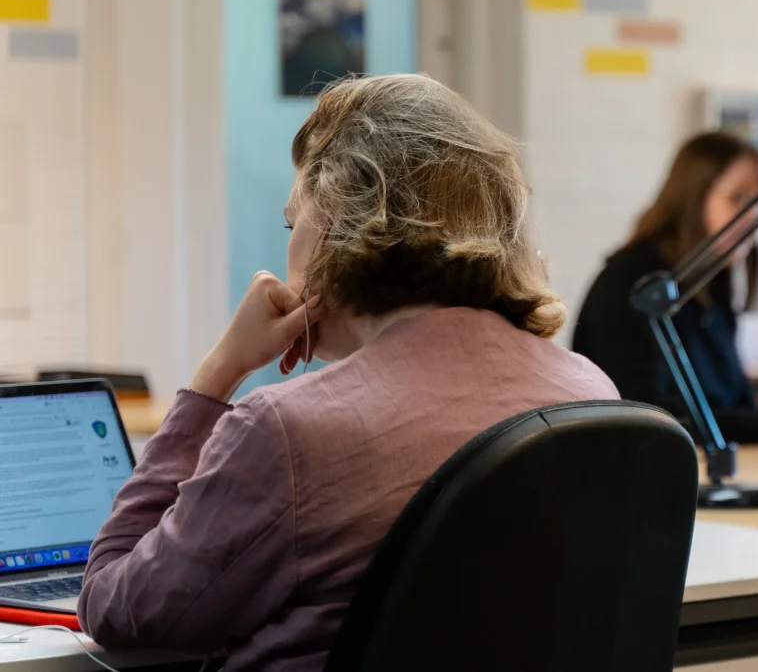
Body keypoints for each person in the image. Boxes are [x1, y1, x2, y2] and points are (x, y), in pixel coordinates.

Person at [76, 75, 618, 670]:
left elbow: (114, 604)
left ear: (338, 227)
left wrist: (219, 372)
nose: (287, 252)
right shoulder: (588, 393)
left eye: (293, 224)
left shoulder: (288, 430)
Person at [573, 132, 758, 444]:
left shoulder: (711, 288)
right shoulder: (633, 284)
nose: (752, 218)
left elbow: (737, 401)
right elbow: (642, 416)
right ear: (693, 197)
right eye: (737, 199)